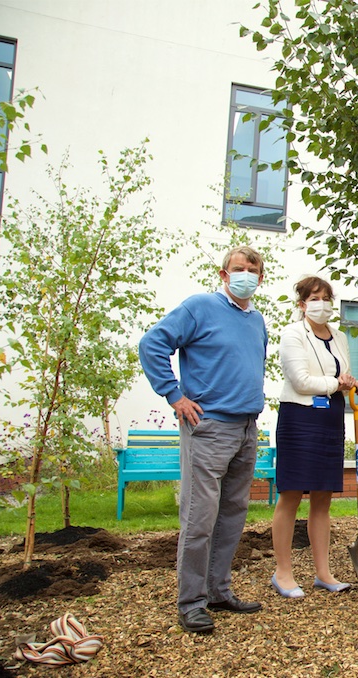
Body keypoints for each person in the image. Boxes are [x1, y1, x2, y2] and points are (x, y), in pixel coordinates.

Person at [139, 246, 269, 634]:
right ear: (224, 273)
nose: (245, 274)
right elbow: (153, 344)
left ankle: (217, 590)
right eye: (238, 268)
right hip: (210, 427)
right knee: (199, 519)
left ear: (260, 278)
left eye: (252, 270)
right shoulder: (199, 307)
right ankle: (191, 602)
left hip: (246, 428)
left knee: (232, 516)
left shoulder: (257, 320)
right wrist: (174, 395)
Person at [270, 276, 358, 598]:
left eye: (326, 298)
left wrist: (354, 384)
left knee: (323, 497)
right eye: (314, 298)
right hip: (299, 418)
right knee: (292, 494)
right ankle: (283, 572)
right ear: (302, 304)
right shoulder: (292, 334)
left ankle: (322, 572)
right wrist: (336, 383)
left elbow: (342, 376)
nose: (322, 304)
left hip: (329, 419)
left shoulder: (338, 336)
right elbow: (300, 380)